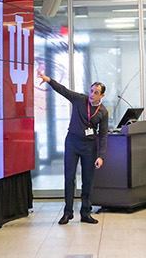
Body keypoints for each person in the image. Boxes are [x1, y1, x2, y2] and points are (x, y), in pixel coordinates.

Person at [36, 72, 108, 225]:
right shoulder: (80, 99)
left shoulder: (103, 112)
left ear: (102, 96)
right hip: (72, 143)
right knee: (69, 178)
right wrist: (49, 80)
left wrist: (101, 156)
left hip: (89, 146)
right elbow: (63, 90)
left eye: (96, 93)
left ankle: (85, 213)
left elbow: (103, 135)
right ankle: (68, 213)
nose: (92, 94)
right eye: (91, 91)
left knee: (88, 181)